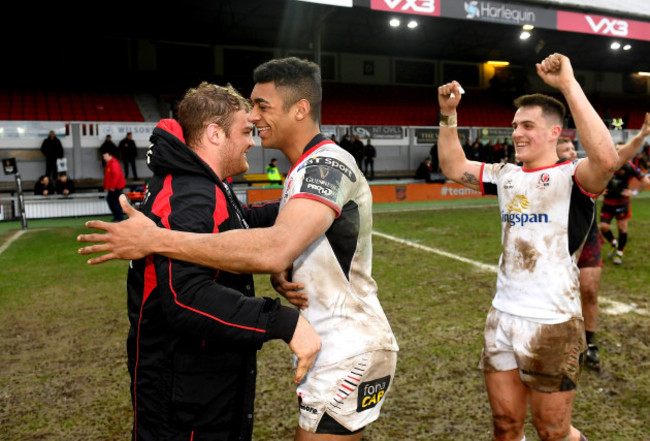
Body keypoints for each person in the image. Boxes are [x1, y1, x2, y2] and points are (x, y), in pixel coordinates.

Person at [78, 57, 398, 441]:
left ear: (300, 109)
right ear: (215, 135)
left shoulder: (322, 166)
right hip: (193, 382)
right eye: (247, 118)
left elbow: (271, 244)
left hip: (345, 345)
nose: (254, 122)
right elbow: (210, 271)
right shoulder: (196, 190)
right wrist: (289, 245)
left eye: (262, 107)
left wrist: (157, 239)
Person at [98, 82, 321, 440]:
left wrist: (307, 207)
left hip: (197, 384)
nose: (252, 140)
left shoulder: (201, 183)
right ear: (216, 134)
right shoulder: (190, 193)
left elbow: (238, 220)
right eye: (246, 131)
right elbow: (186, 296)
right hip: (184, 401)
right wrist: (282, 321)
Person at [437, 53, 617, 441]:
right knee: (505, 426)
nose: (517, 132)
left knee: (552, 431)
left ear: (555, 134)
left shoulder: (573, 176)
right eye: (515, 125)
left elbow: (606, 158)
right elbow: (453, 167)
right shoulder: (506, 175)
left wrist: (568, 85)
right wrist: (448, 115)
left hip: (553, 323)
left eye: (528, 126)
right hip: (502, 318)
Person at [555, 137, 602, 370]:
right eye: (565, 149)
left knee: (589, 290)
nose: (572, 152)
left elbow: (614, 159)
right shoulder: (547, 178)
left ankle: (590, 343)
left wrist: (642, 136)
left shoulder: (586, 174)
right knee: (560, 296)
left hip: (589, 238)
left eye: (573, 148)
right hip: (557, 243)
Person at [599, 112, 650, 265]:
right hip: (608, 201)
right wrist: (600, 189)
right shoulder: (607, 165)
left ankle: (619, 253)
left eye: (622, 150)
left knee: (622, 229)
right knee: (604, 227)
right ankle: (613, 243)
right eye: (617, 150)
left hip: (622, 202)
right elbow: (596, 179)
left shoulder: (629, 167)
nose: (619, 153)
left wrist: (633, 192)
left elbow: (645, 180)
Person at [102, 150, 126, 222]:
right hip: (113, 187)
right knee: (113, 201)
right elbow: (109, 177)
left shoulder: (113, 164)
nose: (104, 158)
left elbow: (116, 176)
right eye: (103, 156)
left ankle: (119, 217)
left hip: (115, 187)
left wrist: (112, 186)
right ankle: (118, 217)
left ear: (110, 156)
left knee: (114, 202)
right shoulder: (109, 164)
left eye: (105, 156)